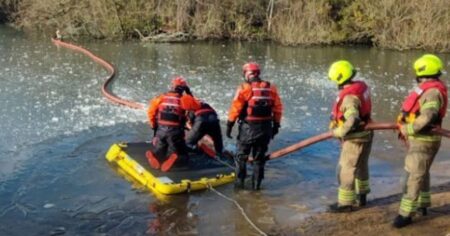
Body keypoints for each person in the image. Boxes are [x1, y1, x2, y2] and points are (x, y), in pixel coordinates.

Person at [393, 54, 447, 228]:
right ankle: (423, 205)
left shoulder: (431, 92)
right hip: (422, 139)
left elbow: (428, 116)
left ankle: (406, 214)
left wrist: (408, 128)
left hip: (424, 140)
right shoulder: (430, 89)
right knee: (422, 172)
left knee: (413, 176)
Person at [226, 62, 283, 190]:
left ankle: (239, 186)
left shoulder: (244, 88)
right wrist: (276, 126)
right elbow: (278, 109)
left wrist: (229, 125)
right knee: (259, 159)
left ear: (247, 74)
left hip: (248, 129)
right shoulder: (271, 88)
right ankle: (256, 188)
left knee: (241, 157)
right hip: (265, 129)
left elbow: (235, 107)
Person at [327, 60, 373, 212]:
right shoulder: (359, 88)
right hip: (367, 134)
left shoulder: (349, 98)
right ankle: (362, 197)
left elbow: (353, 118)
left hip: (356, 138)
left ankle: (345, 204)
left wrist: (340, 131)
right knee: (361, 166)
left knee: (346, 169)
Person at [146, 76, 201, 172]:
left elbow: (151, 112)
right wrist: (189, 93)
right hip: (175, 133)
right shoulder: (184, 99)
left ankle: (155, 155)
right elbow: (197, 106)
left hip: (161, 131)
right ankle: (174, 158)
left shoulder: (161, 97)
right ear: (183, 88)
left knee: (161, 147)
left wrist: (154, 126)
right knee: (179, 152)